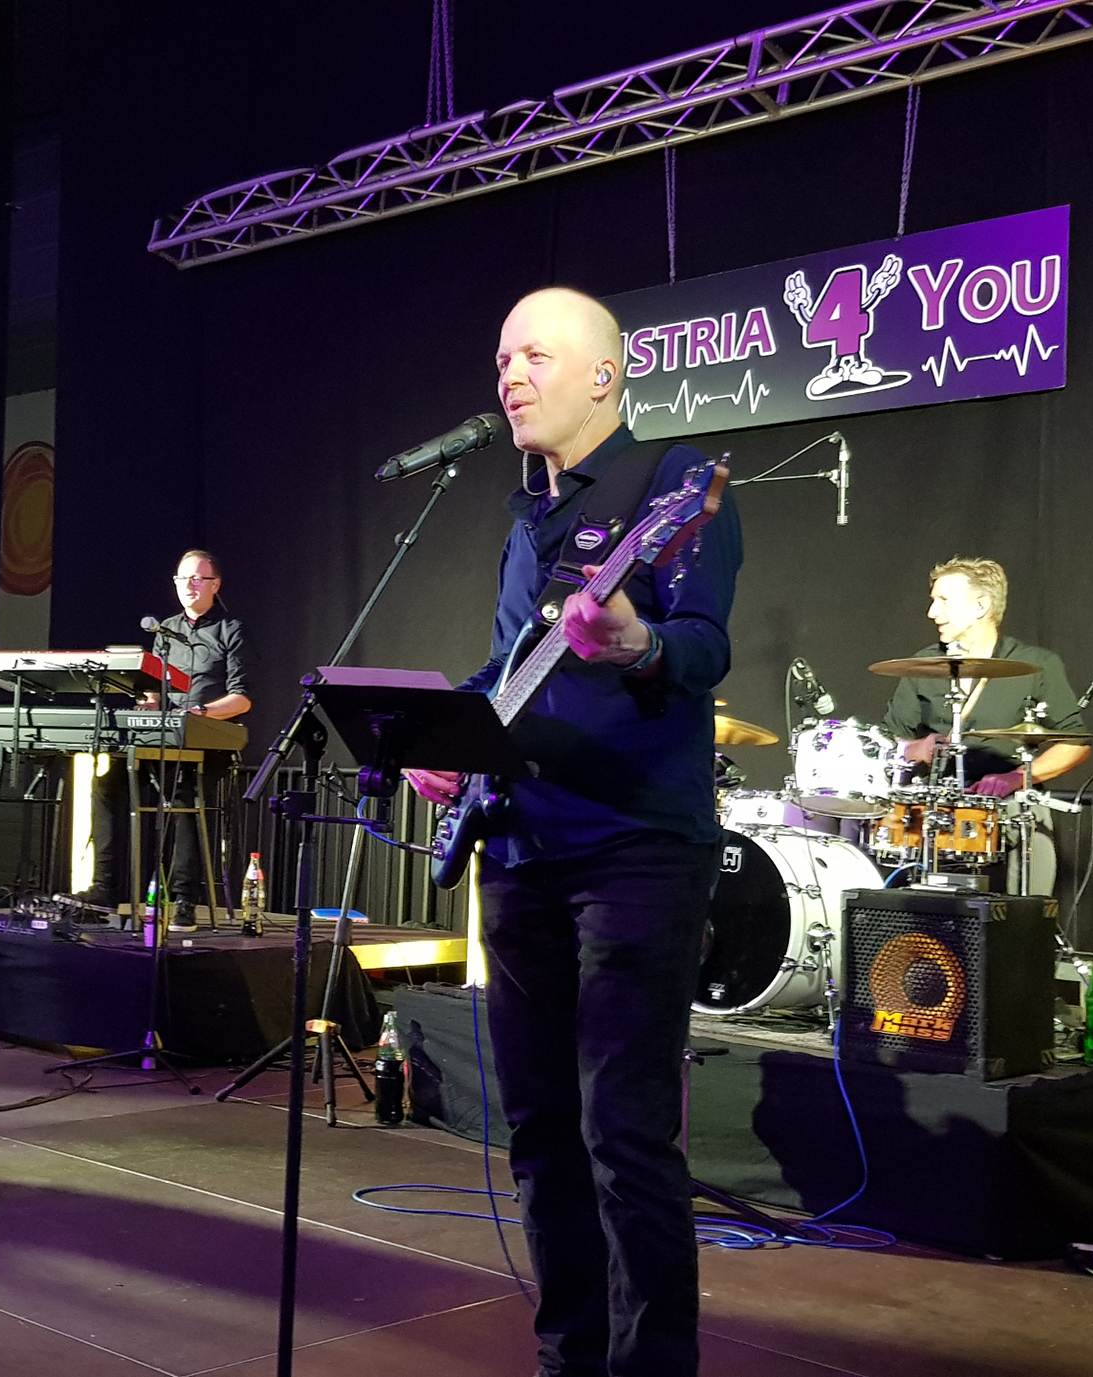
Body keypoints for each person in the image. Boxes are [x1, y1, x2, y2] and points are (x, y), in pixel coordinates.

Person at [406, 287, 741, 1377]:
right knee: (541, 1133)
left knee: (624, 1136)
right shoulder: (526, 523)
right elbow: (506, 667)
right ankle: (569, 1358)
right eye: (502, 358)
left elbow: (702, 647)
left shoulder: (675, 485)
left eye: (533, 356)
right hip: (519, 847)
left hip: (634, 848)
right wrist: (439, 737)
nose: (508, 375)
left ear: (604, 374)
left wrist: (638, 642)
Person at [880, 556, 1088, 893]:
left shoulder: (1036, 664)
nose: (932, 612)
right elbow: (889, 742)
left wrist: (1016, 778)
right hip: (936, 806)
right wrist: (917, 748)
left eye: (943, 600)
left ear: (981, 606)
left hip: (1010, 804)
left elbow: (1075, 743)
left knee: (1031, 822)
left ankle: (1025, 915)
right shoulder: (923, 665)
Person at [81, 549, 251, 930]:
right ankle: (104, 889)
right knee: (107, 783)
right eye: (182, 578)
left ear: (215, 585)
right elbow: (155, 693)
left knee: (184, 791)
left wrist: (200, 713)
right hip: (165, 738)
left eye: (197, 578)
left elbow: (242, 698)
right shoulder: (165, 631)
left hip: (210, 740)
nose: (189, 585)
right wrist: (147, 703)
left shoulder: (231, 630)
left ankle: (185, 898)